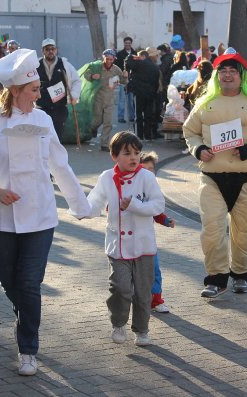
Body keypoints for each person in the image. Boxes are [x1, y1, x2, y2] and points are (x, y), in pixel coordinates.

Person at [0, 48, 91, 376]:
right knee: (8, 278)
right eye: (34, 90)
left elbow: (59, 165)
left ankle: (28, 347)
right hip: (2, 217)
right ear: (15, 91)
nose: (39, 94)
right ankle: (25, 314)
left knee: (30, 283)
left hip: (40, 214)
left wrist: (80, 204)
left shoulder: (43, 120)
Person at [183, 53, 247, 298]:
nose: (227, 74)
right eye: (223, 70)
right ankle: (216, 278)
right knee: (212, 229)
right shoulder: (204, 104)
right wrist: (199, 149)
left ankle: (240, 273)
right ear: (216, 75)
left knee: (245, 233)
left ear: (242, 75)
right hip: (212, 177)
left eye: (233, 70)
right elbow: (190, 131)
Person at [86, 131, 165, 346]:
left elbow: (158, 205)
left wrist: (135, 206)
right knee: (120, 287)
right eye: (127, 153)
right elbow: (93, 202)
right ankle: (118, 323)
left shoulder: (147, 177)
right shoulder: (106, 178)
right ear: (114, 156)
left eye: (137, 153)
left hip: (144, 246)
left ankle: (142, 330)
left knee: (142, 292)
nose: (133, 158)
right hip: (117, 246)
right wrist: (81, 209)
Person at [140, 151, 175, 314]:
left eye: (151, 169)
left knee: (154, 270)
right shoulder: (130, 188)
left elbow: (156, 211)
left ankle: (156, 301)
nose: (148, 173)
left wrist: (166, 220)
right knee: (135, 274)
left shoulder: (153, 190)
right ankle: (136, 299)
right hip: (129, 241)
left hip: (148, 240)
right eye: (144, 169)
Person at [37, 38, 81, 142]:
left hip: (59, 108)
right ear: (42, 51)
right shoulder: (36, 65)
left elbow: (76, 81)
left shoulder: (65, 65)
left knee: (57, 137)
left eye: (53, 49)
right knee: (43, 138)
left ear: (56, 50)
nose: (50, 51)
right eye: (47, 49)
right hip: (41, 108)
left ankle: (56, 157)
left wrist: (74, 95)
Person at [83, 49, 127, 151]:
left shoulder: (116, 69)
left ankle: (104, 144)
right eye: (107, 59)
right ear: (103, 58)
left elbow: (123, 81)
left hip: (110, 99)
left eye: (111, 59)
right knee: (97, 120)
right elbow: (86, 74)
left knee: (108, 122)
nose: (109, 61)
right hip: (98, 98)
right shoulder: (97, 67)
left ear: (114, 59)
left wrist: (125, 77)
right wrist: (92, 76)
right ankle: (93, 128)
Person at [125, 49, 161, 141]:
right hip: (151, 93)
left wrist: (130, 57)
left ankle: (139, 135)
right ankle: (148, 135)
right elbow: (156, 82)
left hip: (139, 92)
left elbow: (128, 64)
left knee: (138, 114)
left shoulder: (139, 64)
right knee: (148, 114)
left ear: (142, 56)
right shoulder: (155, 67)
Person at [115, 37, 136, 123]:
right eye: (126, 43)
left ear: (131, 44)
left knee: (131, 99)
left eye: (129, 43)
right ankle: (120, 117)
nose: (127, 44)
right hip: (122, 79)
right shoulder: (119, 54)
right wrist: (121, 74)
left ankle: (132, 116)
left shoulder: (135, 54)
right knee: (122, 99)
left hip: (132, 80)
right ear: (124, 44)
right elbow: (116, 66)